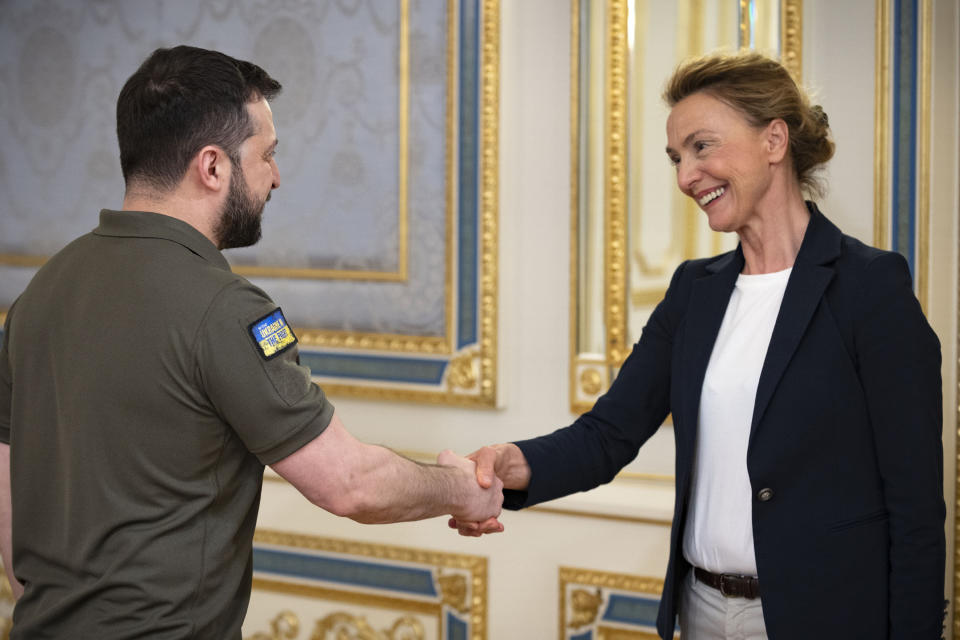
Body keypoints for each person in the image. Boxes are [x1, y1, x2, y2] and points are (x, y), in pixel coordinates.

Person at [0, 45, 503, 639]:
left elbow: (13, 538)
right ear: (212, 167)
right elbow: (351, 484)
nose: (276, 176)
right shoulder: (227, 309)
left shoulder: (37, 297)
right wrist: (463, 492)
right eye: (266, 155)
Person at [448, 51, 945, 639]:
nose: (686, 176)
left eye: (702, 147)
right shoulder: (694, 291)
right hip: (701, 612)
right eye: (677, 158)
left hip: (826, 618)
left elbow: (915, 507)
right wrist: (514, 463)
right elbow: (607, 436)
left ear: (774, 141)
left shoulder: (869, 288)